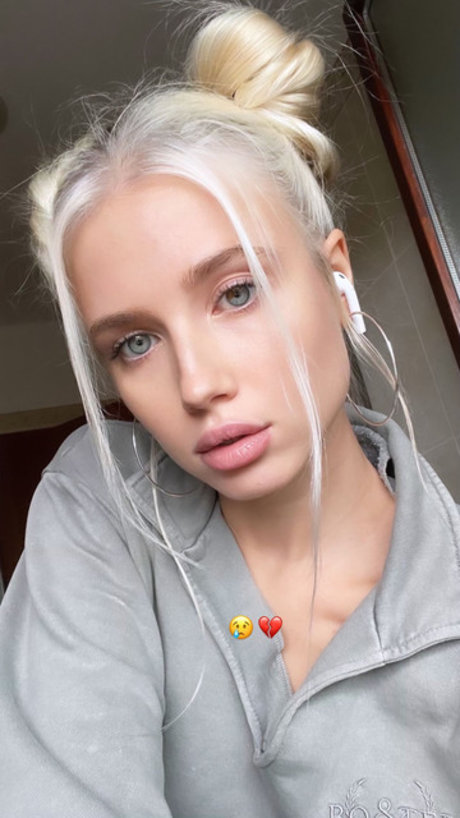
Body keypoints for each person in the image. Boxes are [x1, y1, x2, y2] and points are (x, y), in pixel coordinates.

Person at [1, 3, 459, 817]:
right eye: (135, 342)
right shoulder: (101, 505)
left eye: (236, 291)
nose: (196, 384)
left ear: (337, 278)